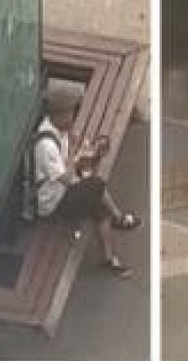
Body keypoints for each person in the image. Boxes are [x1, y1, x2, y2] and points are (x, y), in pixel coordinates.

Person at [34, 93, 141, 278]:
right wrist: (79, 157)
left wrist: (80, 142)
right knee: (96, 186)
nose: (72, 118)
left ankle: (109, 255)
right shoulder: (46, 146)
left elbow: (69, 141)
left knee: (98, 203)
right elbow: (65, 178)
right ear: (56, 115)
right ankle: (118, 219)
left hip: (63, 189)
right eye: (68, 115)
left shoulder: (58, 128)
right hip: (53, 202)